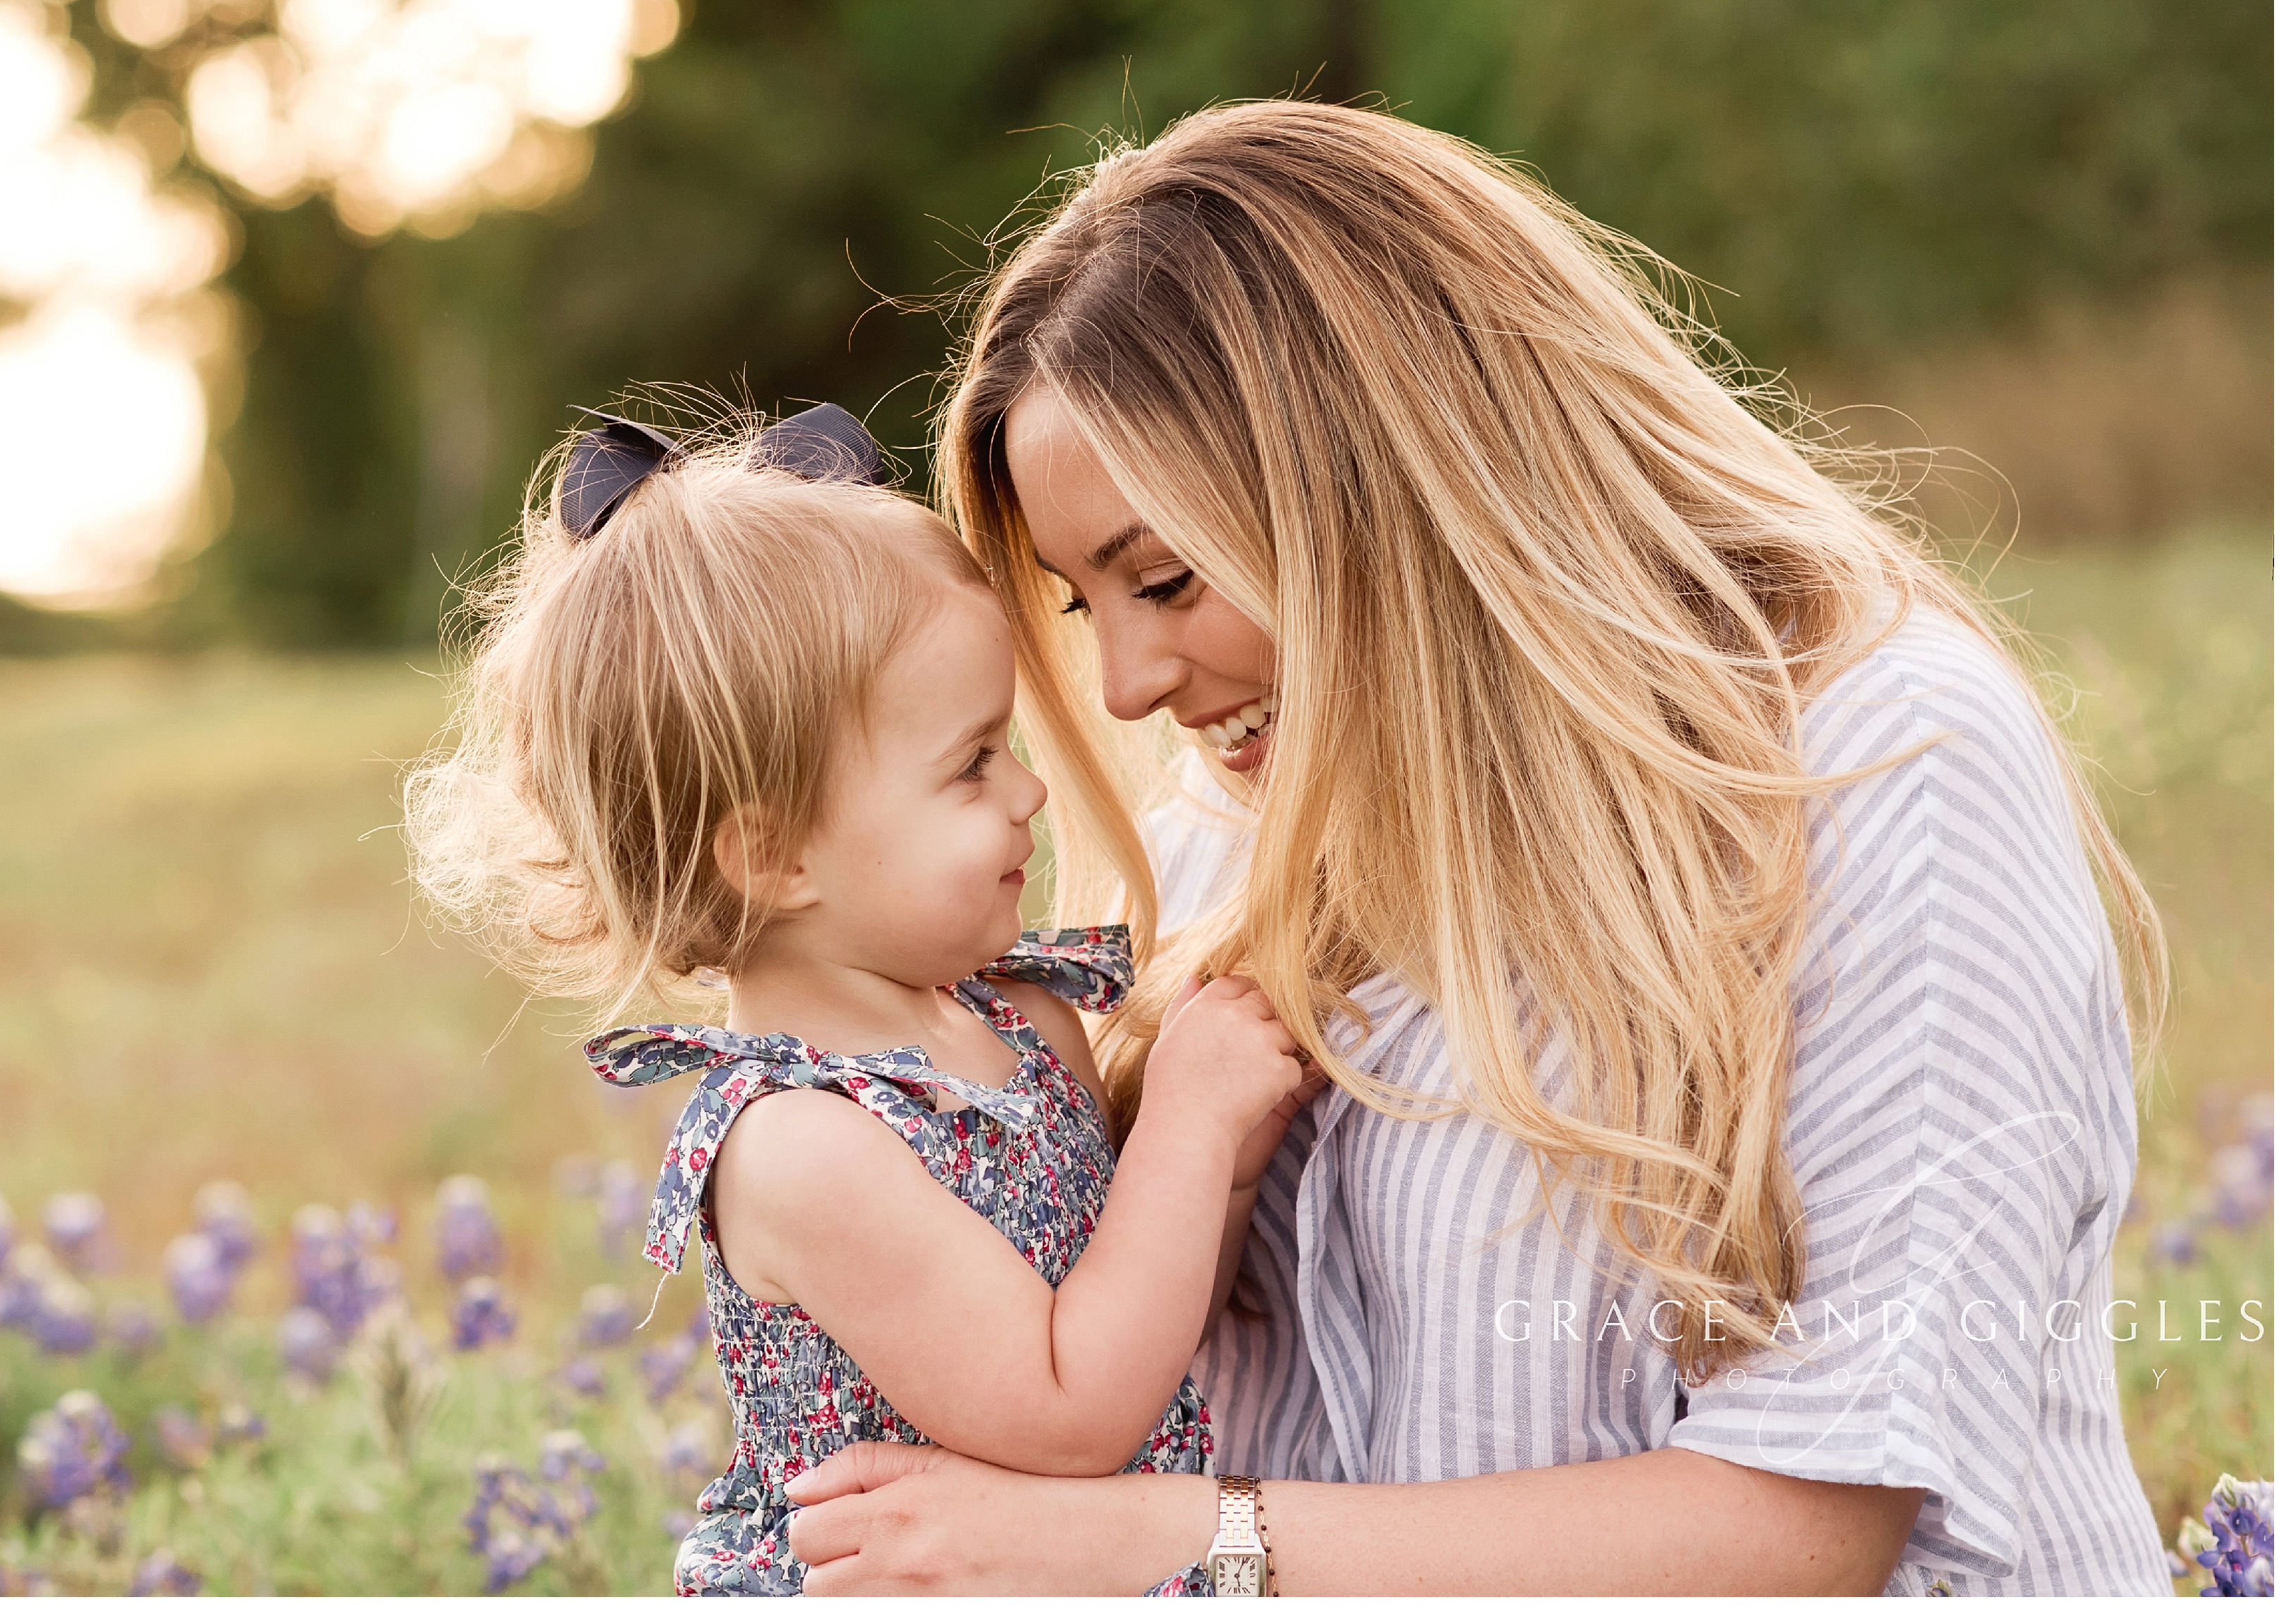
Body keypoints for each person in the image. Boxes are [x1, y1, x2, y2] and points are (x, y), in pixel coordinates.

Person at [775, 98, 2174, 1596]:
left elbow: (1807, 1528)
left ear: (1384, 481)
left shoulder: (1874, 763)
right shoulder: (1221, 836)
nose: (1122, 687)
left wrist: (1159, 1546)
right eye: (1078, 604)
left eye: (1167, 579)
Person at [404, 399, 1309, 1598]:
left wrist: (1229, 1164)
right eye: (973, 759)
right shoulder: (802, 1147)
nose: (1032, 790)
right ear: (775, 855)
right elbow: (1072, 1401)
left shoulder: (1018, 1018)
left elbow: (1142, 1311)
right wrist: (1186, 1128)